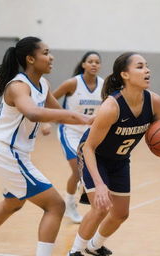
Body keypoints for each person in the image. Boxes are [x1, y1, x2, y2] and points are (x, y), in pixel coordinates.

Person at [0, 36, 93, 256]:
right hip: (7, 152)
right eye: (46, 53)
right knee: (55, 206)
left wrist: (96, 121)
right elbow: (32, 112)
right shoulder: (18, 86)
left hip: (14, 153)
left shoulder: (43, 84)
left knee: (12, 203)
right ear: (30, 58)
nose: (51, 57)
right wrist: (74, 114)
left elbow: (61, 115)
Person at [67, 52, 160, 256]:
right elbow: (89, 148)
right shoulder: (111, 106)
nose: (147, 70)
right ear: (125, 75)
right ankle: (75, 251)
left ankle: (94, 246)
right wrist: (100, 185)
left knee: (120, 213)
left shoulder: (155, 101)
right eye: (139, 66)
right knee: (100, 207)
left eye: (147, 66)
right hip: (94, 155)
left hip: (120, 159)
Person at [43, 51, 103, 224]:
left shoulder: (103, 84)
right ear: (83, 64)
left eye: (97, 62)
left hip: (90, 132)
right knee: (78, 169)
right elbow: (49, 99)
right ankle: (70, 204)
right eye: (90, 61)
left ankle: (80, 192)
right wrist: (46, 122)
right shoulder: (72, 83)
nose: (94, 64)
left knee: (88, 169)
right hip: (69, 130)